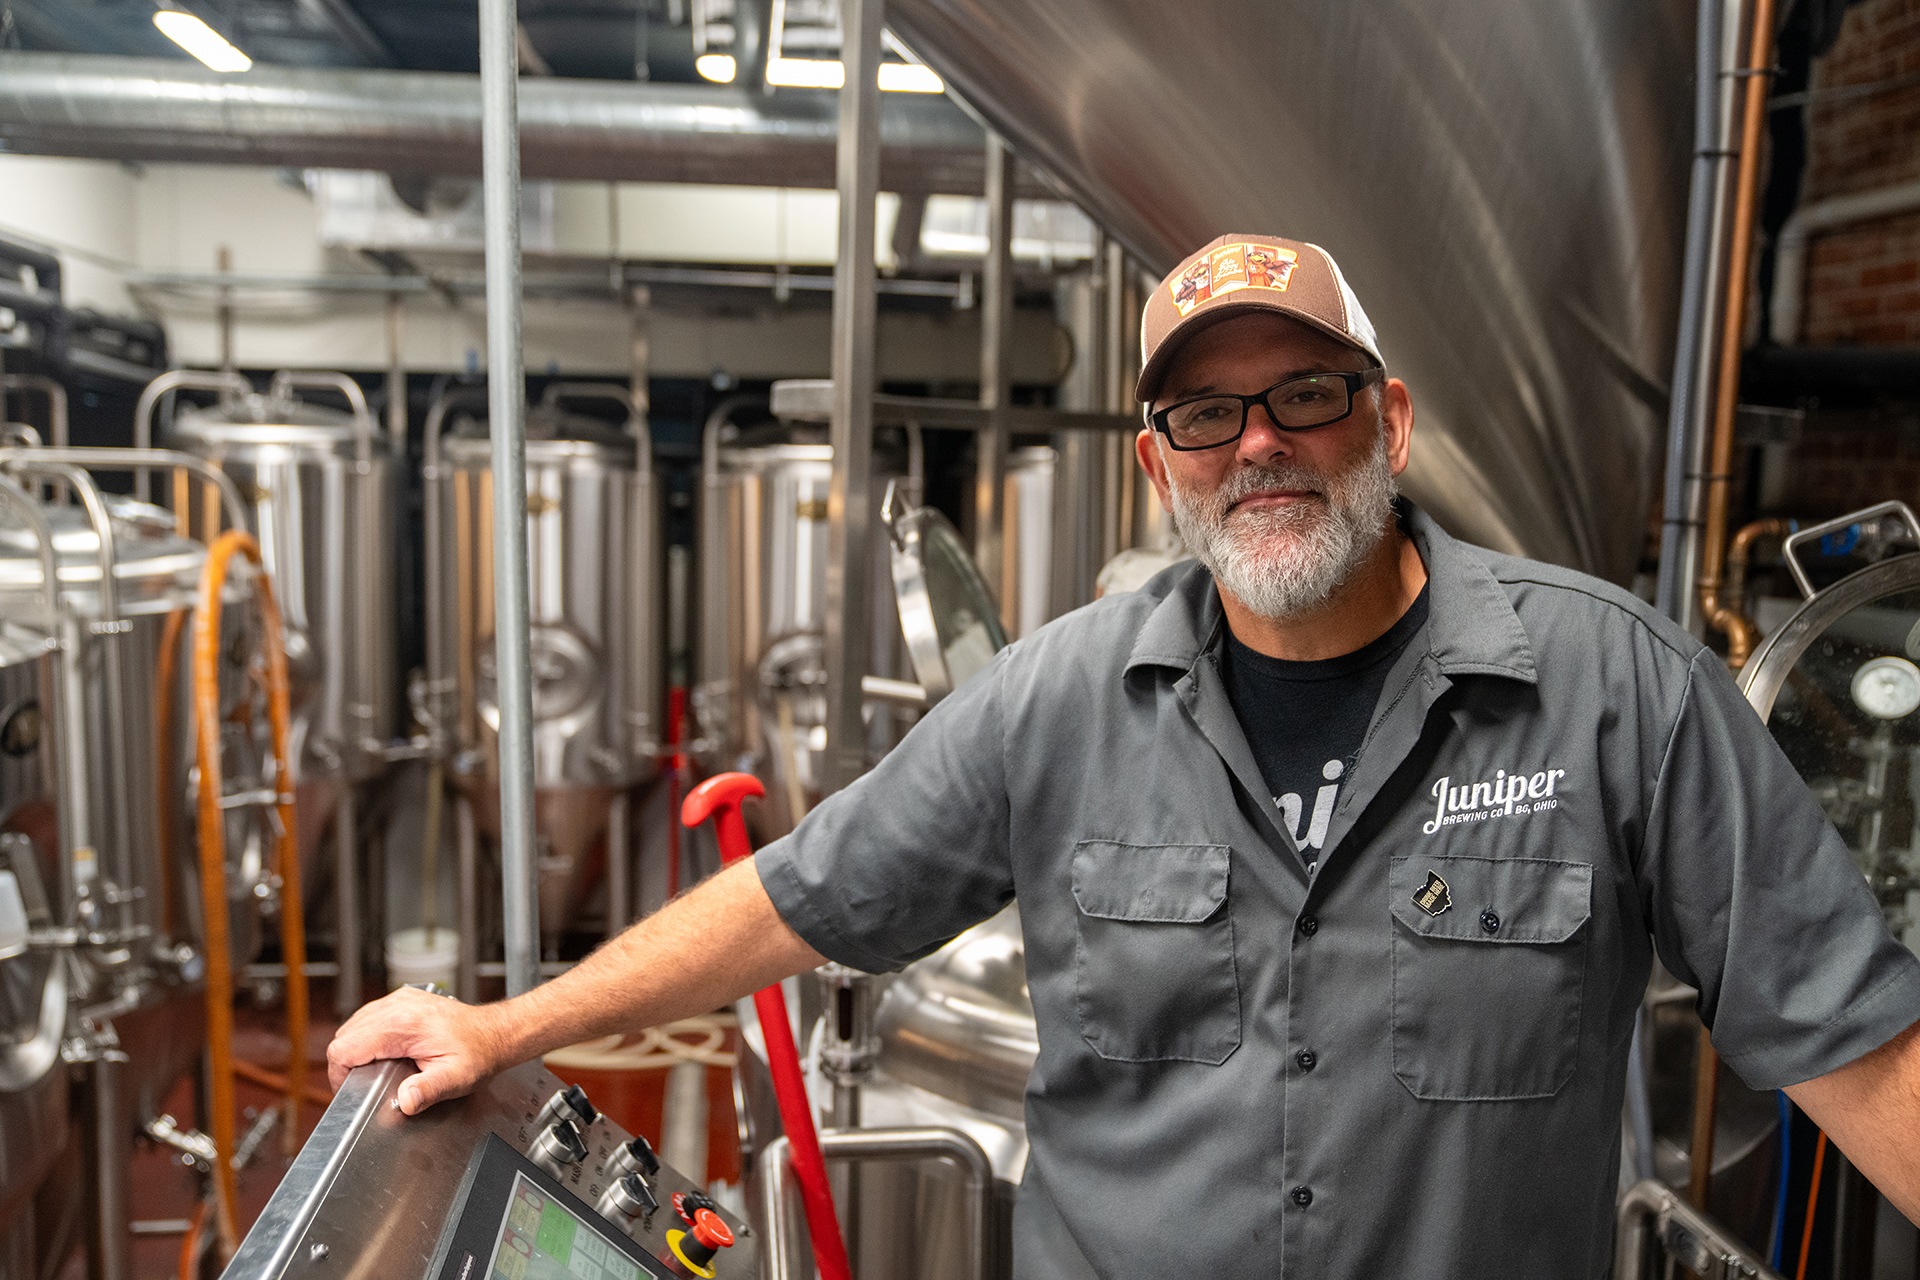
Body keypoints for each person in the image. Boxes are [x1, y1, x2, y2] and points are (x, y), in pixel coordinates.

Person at [330, 233, 1920, 1278]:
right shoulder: (1060, 699)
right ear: (1162, 464)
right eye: (1207, 416)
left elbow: (1852, 1039)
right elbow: (804, 894)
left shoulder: (1616, 689)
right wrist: (506, 1024)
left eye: (1305, 394)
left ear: (1388, 422)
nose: (1260, 444)